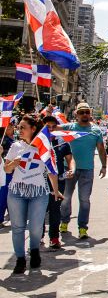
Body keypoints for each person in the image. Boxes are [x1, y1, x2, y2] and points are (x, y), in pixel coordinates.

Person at [4, 115, 64, 274]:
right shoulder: (15, 146)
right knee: (17, 228)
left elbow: (52, 171)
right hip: (16, 192)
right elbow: (6, 169)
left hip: (39, 193)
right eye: (19, 127)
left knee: (36, 227)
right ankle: (20, 259)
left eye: (23, 127)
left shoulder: (44, 147)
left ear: (33, 129)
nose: (19, 130)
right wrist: (13, 163)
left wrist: (56, 191)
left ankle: (35, 250)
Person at [59, 102, 107, 239]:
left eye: (87, 112)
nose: (85, 114)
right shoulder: (69, 127)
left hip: (87, 170)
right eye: (81, 112)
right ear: (76, 114)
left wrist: (104, 166)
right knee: (66, 198)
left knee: (84, 199)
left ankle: (82, 228)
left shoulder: (96, 130)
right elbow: (51, 128)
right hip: (69, 169)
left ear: (90, 114)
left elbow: (101, 149)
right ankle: (64, 222)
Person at [42, 115, 74, 249]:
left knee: (55, 210)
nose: (51, 129)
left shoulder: (63, 142)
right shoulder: (37, 142)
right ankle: (38, 235)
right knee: (40, 210)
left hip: (58, 180)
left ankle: (54, 238)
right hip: (40, 181)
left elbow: (70, 159)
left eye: (53, 126)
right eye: (47, 127)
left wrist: (72, 169)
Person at [0, 120, 16, 226]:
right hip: (5, 170)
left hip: (13, 171)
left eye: (12, 126)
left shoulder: (13, 139)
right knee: (3, 195)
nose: (11, 128)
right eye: (8, 126)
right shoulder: (3, 140)